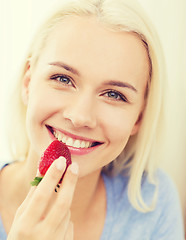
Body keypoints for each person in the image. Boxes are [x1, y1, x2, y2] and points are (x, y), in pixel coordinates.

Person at [0, 0, 184, 239]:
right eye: (63, 79)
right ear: (28, 82)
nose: (79, 117)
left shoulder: (153, 202)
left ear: (139, 116)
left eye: (114, 94)